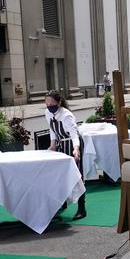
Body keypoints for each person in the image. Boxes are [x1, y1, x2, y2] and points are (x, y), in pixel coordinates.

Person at [44, 91, 86, 220]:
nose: (49, 106)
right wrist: (52, 145)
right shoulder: (48, 113)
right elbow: (52, 129)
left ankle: (82, 208)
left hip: (73, 144)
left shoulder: (67, 115)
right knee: (60, 174)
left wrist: (76, 149)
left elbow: (74, 134)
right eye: (47, 103)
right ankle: (62, 203)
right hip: (61, 144)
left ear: (59, 102)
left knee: (77, 174)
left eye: (52, 103)